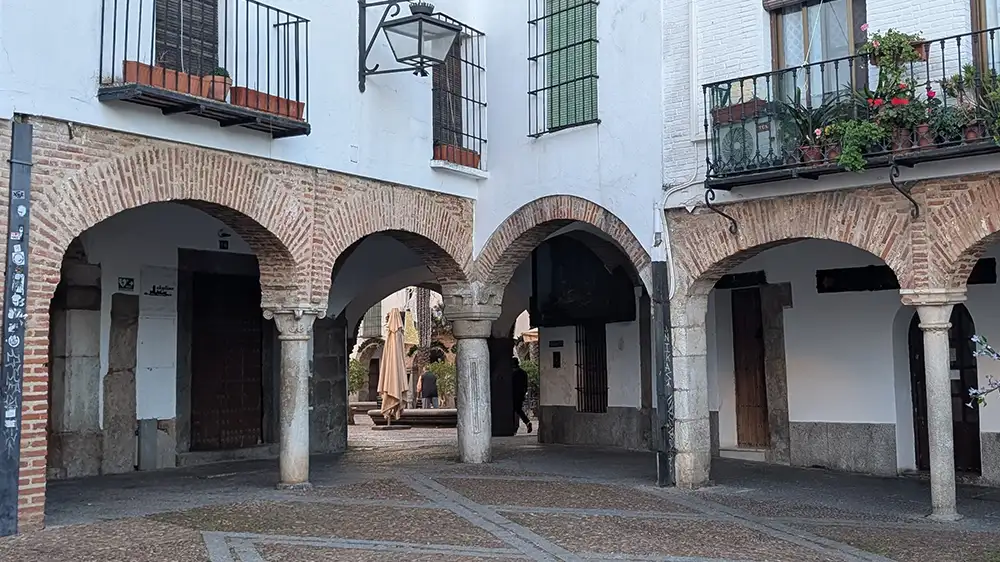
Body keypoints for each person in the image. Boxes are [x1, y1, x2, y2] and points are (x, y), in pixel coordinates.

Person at [511, 357, 532, 433]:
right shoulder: (523, 373)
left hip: (512, 394)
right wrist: (523, 393)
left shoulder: (511, 373)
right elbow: (525, 385)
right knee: (518, 410)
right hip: (520, 395)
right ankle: (526, 422)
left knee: (514, 410)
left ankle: (513, 427)